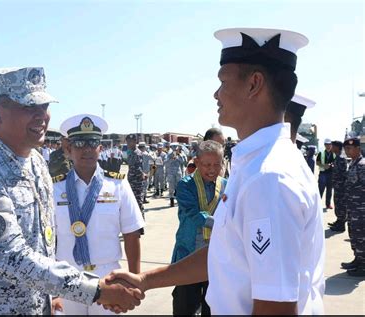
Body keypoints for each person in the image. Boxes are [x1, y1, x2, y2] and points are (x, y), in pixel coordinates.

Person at [107, 27, 325, 315]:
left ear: (254, 84)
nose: (216, 93)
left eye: (223, 81)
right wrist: (146, 279)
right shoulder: (257, 165)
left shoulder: (269, 178)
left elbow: (276, 307)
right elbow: (227, 254)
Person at [0, 67, 143, 315]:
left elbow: (44, 244)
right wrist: (96, 289)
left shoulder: (36, 162)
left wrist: (52, 294)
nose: (42, 116)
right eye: (28, 107)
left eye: (44, 107)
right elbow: (10, 256)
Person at [52, 114, 145, 315]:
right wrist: (50, 291)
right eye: (79, 143)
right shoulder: (54, 188)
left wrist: (134, 279)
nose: (86, 148)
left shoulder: (117, 185)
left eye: (93, 142)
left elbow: (132, 234)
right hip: (66, 276)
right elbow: (47, 240)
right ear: (68, 149)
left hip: (108, 276)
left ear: (100, 148)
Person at [171, 140, 227, 316]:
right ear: (196, 162)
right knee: (185, 304)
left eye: (216, 164)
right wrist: (222, 225)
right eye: (206, 165)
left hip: (216, 256)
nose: (211, 169)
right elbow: (193, 213)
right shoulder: (185, 184)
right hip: (189, 253)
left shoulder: (225, 184)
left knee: (213, 306)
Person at [341, 137, 365, 276]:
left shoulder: (362, 165)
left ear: (357, 148)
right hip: (353, 208)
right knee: (354, 236)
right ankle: (358, 259)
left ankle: (363, 266)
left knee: (361, 236)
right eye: (346, 149)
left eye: (349, 148)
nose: (347, 151)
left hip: (361, 209)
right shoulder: (353, 164)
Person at [328, 141, 348, 232]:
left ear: (337, 147)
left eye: (333, 146)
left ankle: (341, 225)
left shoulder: (341, 158)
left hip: (341, 187)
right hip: (337, 186)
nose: (331, 147)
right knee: (337, 204)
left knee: (341, 205)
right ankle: (339, 221)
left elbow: (344, 174)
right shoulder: (338, 157)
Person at [126, 134, 147, 218]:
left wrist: (142, 175)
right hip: (132, 181)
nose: (128, 144)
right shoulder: (131, 152)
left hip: (136, 182)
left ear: (135, 142)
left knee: (138, 203)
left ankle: (141, 225)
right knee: (133, 203)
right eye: (127, 142)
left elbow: (137, 168)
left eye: (130, 142)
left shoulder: (137, 153)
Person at [317, 138, 335, 209]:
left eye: (330, 144)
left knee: (329, 190)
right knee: (320, 189)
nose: (328, 146)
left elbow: (335, 162)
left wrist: (332, 165)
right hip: (323, 174)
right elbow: (317, 162)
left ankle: (328, 204)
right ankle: (317, 204)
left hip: (331, 174)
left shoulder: (333, 153)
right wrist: (324, 166)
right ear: (324, 145)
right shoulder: (321, 153)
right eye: (327, 144)